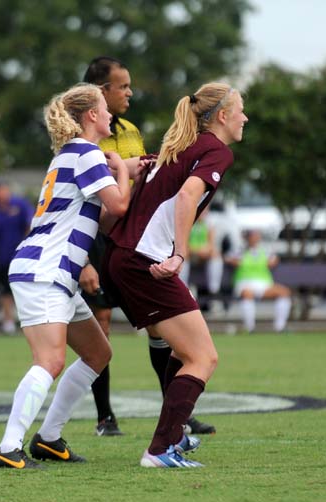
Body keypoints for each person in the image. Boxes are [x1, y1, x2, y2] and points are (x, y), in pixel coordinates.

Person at [101, 82, 248, 467]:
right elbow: (186, 197)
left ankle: (174, 436)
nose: (245, 117)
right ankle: (159, 449)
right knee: (203, 358)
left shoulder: (181, 146)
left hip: (124, 258)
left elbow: (173, 201)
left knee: (187, 354)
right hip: (142, 261)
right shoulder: (216, 150)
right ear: (222, 116)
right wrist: (181, 254)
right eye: (241, 110)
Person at [0, 83, 135, 469]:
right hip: (44, 270)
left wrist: (125, 171)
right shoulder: (87, 153)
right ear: (91, 115)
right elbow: (119, 205)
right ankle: (8, 448)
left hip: (55, 272)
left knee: (98, 352)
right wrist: (122, 168)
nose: (110, 114)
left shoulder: (71, 155)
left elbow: (101, 219)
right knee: (50, 360)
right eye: (105, 107)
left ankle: (49, 439)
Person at [81, 56, 215, 437]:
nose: (129, 92)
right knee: (101, 327)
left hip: (134, 238)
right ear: (100, 92)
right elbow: (97, 181)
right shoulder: (83, 133)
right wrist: (84, 263)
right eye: (122, 86)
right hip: (97, 240)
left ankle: (175, 412)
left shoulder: (130, 129)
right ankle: (104, 416)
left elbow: (145, 179)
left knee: (159, 328)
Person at [0, 180, 34, 334]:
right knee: (5, 290)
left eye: (2, 190)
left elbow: (31, 225)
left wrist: (26, 247)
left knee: (27, 288)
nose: (0, 194)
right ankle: (8, 321)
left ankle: (31, 321)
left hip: (24, 256)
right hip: (4, 257)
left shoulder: (20, 205)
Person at [225, 229, 291, 333]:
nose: (255, 239)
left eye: (257, 236)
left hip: (264, 284)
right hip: (245, 283)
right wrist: (235, 261)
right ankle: (250, 328)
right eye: (252, 236)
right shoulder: (239, 250)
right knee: (247, 294)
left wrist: (273, 261)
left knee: (284, 292)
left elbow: (274, 259)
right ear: (247, 238)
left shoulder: (264, 250)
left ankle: (280, 327)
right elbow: (228, 258)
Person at [179, 206, 225, 304]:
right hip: (190, 253)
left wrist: (206, 250)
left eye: (206, 210)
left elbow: (211, 243)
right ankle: (183, 287)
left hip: (203, 254)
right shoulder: (188, 223)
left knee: (215, 255)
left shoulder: (209, 224)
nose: (203, 213)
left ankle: (214, 289)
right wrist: (196, 250)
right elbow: (183, 243)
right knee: (183, 255)